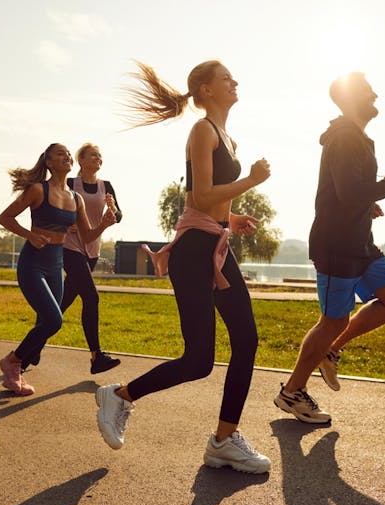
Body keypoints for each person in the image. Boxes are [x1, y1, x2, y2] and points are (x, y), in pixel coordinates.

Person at [95, 60, 272, 474]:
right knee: (198, 361)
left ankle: (224, 440)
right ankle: (120, 395)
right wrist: (250, 181)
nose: (235, 80)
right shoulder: (202, 130)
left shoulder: (228, 138)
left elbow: (212, 205)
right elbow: (202, 195)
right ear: (205, 90)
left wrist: (231, 219)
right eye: (227, 77)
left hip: (215, 245)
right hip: (194, 251)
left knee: (246, 340)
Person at [273, 72, 385, 424]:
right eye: (368, 91)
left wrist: (369, 204)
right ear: (352, 99)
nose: (375, 94)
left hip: (360, 244)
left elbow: (349, 192)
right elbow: (350, 191)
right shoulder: (345, 137)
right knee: (331, 321)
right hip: (337, 246)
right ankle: (292, 392)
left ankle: (332, 351)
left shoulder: (359, 138)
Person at [0, 143, 117, 395]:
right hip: (33, 263)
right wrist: (29, 235)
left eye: (67, 154)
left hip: (55, 265)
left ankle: (17, 368)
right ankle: (13, 361)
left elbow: (86, 236)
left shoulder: (76, 199)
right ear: (48, 162)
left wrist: (104, 224)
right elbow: (5, 218)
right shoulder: (37, 190)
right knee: (54, 319)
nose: (66, 157)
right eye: (60, 153)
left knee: (49, 320)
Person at [58, 143, 123, 374]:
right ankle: (97, 357)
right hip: (69, 246)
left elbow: (119, 215)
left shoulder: (106, 186)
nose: (98, 158)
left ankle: (27, 352)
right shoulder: (70, 184)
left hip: (92, 248)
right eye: (93, 155)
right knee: (91, 298)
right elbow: (54, 208)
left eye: (100, 155)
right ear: (82, 160)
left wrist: (112, 211)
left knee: (61, 304)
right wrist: (68, 223)